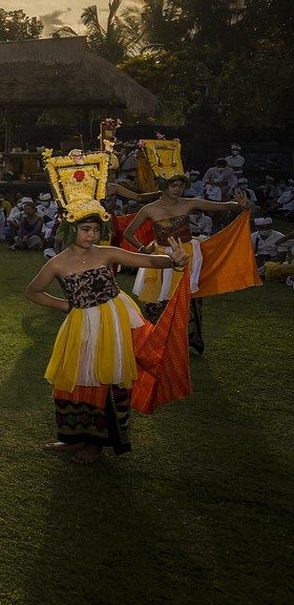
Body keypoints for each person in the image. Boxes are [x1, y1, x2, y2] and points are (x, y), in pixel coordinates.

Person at [25, 155, 194, 464]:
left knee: (108, 377)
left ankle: (97, 444)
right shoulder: (57, 263)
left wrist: (172, 261)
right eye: (85, 229)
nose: (91, 234)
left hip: (115, 318)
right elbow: (33, 291)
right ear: (68, 229)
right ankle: (73, 439)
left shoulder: (106, 253)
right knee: (75, 378)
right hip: (80, 323)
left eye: (94, 229)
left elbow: (146, 261)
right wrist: (64, 305)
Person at [124, 145, 249, 355]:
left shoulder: (189, 203)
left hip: (188, 252)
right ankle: (155, 337)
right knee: (158, 299)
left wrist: (239, 205)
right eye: (174, 185)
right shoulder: (149, 209)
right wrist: (143, 249)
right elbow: (129, 233)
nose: (178, 189)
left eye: (181, 185)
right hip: (162, 256)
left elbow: (220, 206)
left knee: (189, 298)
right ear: (164, 186)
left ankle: (189, 340)